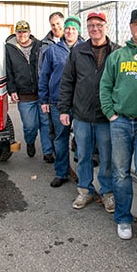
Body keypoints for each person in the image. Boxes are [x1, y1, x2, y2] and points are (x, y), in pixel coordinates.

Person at [99, 8, 137, 240]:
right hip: (120, 122)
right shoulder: (117, 56)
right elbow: (105, 86)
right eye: (136, 24)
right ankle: (124, 219)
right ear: (130, 27)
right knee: (120, 172)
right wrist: (110, 113)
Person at [58, 11, 116, 213]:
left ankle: (107, 193)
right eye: (91, 25)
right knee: (83, 155)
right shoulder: (78, 51)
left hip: (106, 117)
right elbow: (67, 81)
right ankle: (85, 190)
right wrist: (64, 109)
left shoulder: (115, 52)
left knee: (107, 157)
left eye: (99, 25)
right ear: (87, 28)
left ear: (105, 27)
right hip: (82, 115)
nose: (95, 29)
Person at [40, 15, 80, 188]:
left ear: (78, 31)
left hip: (80, 103)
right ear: (64, 30)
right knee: (60, 138)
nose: (70, 31)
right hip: (58, 102)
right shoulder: (53, 51)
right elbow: (44, 76)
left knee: (82, 138)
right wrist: (44, 99)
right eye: (68, 28)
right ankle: (61, 172)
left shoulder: (85, 49)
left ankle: (82, 173)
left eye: (73, 28)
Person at [4, 20, 42, 158]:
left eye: (25, 32)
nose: (22, 35)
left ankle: (49, 153)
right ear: (16, 33)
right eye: (19, 32)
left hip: (41, 93)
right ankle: (30, 142)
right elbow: (9, 71)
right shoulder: (9, 48)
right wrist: (12, 90)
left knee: (45, 125)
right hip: (24, 94)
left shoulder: (39, 45)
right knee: (30, 126)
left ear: (29, 32)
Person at [35, 12, 65, 163]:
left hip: (75, 96)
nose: (56, 27)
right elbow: (42, 72)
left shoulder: (79, 42)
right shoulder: (45, 45)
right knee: (51, 127)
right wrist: (44, 98)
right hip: (54, 96)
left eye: (58, 23)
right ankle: (51, 153)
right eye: (53, 25)